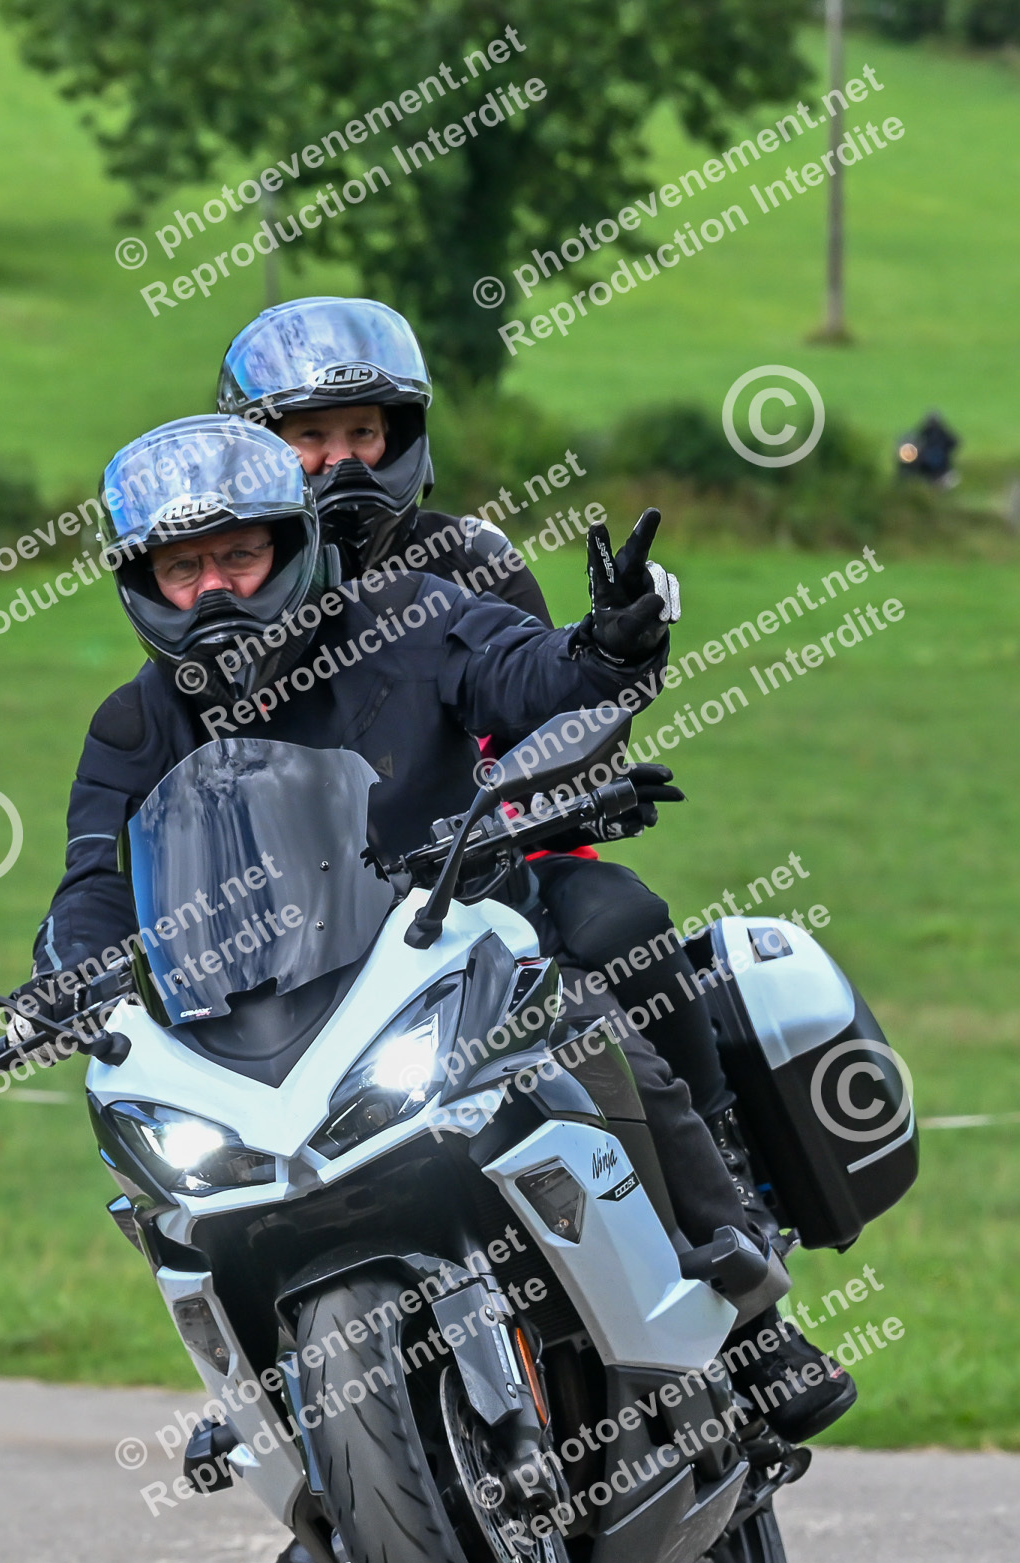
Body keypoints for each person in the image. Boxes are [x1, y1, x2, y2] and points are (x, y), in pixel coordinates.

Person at [16, 416, 853, 1563]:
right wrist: (64, 977)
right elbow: (94, 882)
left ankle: (754, 1323)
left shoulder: (406, 623)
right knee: (183, 1196)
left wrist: (611, 643)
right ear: (143, 582)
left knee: (591, 1029)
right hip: (261, 1018)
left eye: (238, 557)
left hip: (455, 946)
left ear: (291, 546)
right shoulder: (135, 723)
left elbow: (535, 676)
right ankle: (320, 1443)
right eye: (183, 568)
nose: (214, 591)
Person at [215, 297, 770, 1235]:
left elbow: (547, 702)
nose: (342, 461)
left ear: (403, 439)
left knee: (622, 922)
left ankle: (722, 1175)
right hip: (320, 923)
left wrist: (577, 772)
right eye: (309, 436)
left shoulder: (468, 557)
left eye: (364, 433)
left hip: (490, 872)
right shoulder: (227, 596)